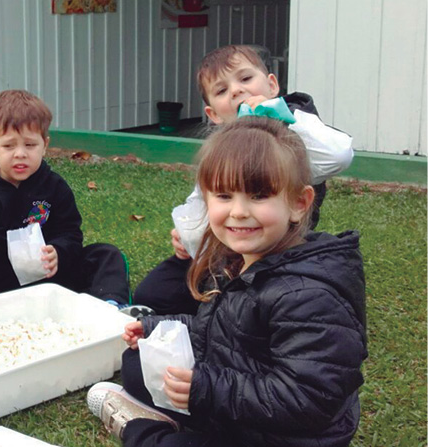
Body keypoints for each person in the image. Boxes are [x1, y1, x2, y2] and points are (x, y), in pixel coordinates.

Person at [87, 117, 367, 447]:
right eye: (223, 195)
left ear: (299, 203)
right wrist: (159, 328)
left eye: (259, 195)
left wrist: (205, 389)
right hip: (236, 412)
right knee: (135, 364)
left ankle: (140, 427)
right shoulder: (237, 260)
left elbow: (307, 400)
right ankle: (183, 421)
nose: (238, 211)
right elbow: (217, 329)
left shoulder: (309, 296)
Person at [131, 44, 354, 316]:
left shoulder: (295, 136)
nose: (236, 90)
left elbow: (338, 155)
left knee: (240, 308)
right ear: (214, 115)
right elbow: (203, 198)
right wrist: (187, 233)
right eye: (221, 91)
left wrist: (284, 115)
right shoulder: (222, 149)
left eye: (246, 78)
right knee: (153, 294)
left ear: (272, 86)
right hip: (221, 249)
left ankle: (220, 313)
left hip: (273, 250)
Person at [0, 89, 130, 305]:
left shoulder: (54, 186)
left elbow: (70, 234)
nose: (20, 154)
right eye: (8, 146)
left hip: (47, 276)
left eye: (30, 145)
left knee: (105, 255)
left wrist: (58, 253)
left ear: (45, 145)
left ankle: (112, 306)